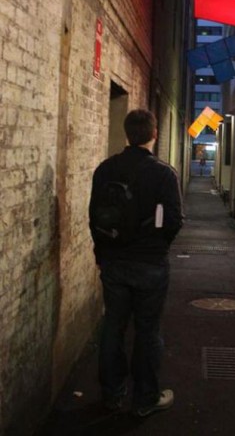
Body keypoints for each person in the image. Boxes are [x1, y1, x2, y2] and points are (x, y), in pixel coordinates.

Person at [89, 109, 183, 417]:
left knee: (113, 326)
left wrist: (102, 254)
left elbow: (94, 216)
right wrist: (157, 247)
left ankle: (111, 394)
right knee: (147, 329)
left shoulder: (105, 169)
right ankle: (145, 399)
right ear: (154, 134)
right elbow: (173, 220)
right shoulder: (164, 174)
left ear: (127, 133)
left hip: (114, 262)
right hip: (150, 264)